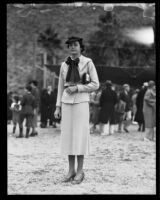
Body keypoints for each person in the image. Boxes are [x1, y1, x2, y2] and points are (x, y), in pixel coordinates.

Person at [54, 36, 99, 184]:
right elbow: (60, 86)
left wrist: (78, 88)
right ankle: (70, 170)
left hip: (81, 102)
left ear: (81, 47)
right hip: (66, 103)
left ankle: (80, 171)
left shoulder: (88, 63)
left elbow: (95, 84)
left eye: (75, 45)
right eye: (70, 45)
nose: (72, 47)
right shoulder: (64, 65)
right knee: (68, 137)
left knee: (79, 137)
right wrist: (58, 106)